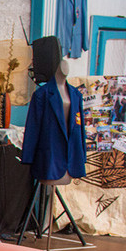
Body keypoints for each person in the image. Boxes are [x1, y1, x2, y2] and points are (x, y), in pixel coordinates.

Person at [22, 36, 86, 184]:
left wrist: (81, 156)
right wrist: (28, 158)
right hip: (49, 161)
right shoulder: (42, 95)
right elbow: (33, 128)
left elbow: (79, 128)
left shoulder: (76, 95)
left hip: (70, 162)